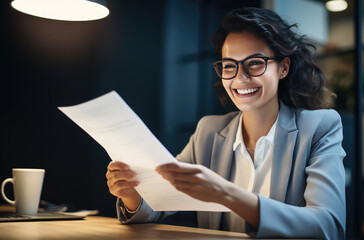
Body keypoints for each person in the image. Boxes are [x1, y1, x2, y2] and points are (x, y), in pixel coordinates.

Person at [106, 7, 346, 240]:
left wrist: (225, 193)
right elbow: (159, 203)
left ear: (283, 67)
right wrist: (132, 195)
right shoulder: (209, 131)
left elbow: (328, 226)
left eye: (254, 63)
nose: (240, 78)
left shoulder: (319, 127)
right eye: (229, 65)